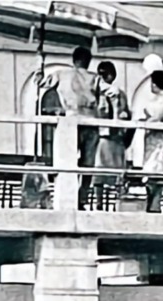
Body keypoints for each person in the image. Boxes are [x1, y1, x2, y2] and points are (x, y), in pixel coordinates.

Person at [36, 47, 100, 208]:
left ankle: (68, 197)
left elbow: (40, 82)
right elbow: (108, 93)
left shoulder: (61, 74)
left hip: (71, 120)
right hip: (91, 121)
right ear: (88, 61)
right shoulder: (95, 78)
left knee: (68, 161)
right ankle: (82, 197)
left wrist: (39, 65)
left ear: (74, 60)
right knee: (88, 163)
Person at [91, 60, 130, 209]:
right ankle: (99, 203)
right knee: (99, 172)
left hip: (117, 138)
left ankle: (119, 203)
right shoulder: (96, 95)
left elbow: (126, 114)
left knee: (118, 173)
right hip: (102, 137)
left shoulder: (119, 94)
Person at [139, 70, 163, 213]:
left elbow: (157, 116)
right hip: (151, 140)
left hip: (160, 141)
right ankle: (151, 205)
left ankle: (155, 207)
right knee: (150, 174)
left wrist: (146, 120)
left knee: (156, 172)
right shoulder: (159, 99)